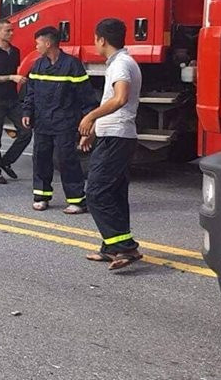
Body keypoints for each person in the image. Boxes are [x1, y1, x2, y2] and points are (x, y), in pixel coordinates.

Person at [78, 18, 144, 270]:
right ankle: (111, 247)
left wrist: (90, 116)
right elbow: (113, 100)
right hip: (114, 134)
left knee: (95, 193)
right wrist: (93, 130)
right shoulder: (121, 63)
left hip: (116, 137)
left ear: (101, 39)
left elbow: (120, 98)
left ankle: (125, 247)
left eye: (95, 38)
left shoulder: (120, 65)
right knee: (114, 193)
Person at [22, 27, 97, 213]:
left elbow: (85, 96)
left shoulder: (72, 65)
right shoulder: (38, 65)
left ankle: (76, 200)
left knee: (67, 160)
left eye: (38, 43)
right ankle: (41, 197)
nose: (36, 46)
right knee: (41, 159)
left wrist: (89, 121)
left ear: (48, 43)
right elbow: (30, 92)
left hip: (65, 122)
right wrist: (27, 112)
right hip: (42, 123)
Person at [0, 19, 33, 184]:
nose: (11, 33)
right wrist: (11, 77)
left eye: (12, 31)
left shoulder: (15, 52)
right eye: (7, 31)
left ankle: (6, 161)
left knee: (26, 132)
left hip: (12, 99)